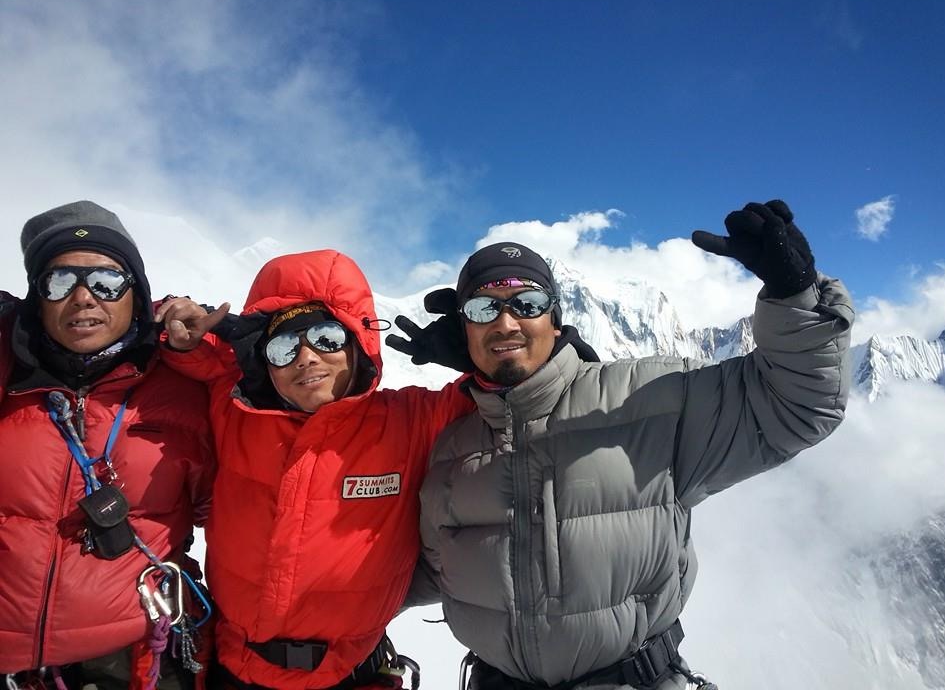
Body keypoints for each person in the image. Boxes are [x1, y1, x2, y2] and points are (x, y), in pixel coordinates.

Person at [389, 201, 855, 690]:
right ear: (464, 329)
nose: (506, 324)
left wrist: (794, 294)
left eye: (525, 303)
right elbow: (425, 570)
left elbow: (797, 406)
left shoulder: (653, 400)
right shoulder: (451, 450)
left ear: (555, 316)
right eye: (483, 309)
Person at [155, 248, 475, 690]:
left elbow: (511, 399)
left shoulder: (412, 419)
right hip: (231, 670)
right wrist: (187, 323)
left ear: (358, 343)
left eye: (326, 338)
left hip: (352, 674)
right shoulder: (234, 411)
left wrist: (482, 352)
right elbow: (175, 345)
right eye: (284, 346)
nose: (305, 357)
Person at [0, 201, 216, 689]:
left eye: (106, 282)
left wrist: (221, 353)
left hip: (134, 655)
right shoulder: (7, 379)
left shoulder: (184, 392)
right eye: (59, 282)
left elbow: (241, 502)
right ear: (35, 299)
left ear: (136, 295)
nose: (83, 299)